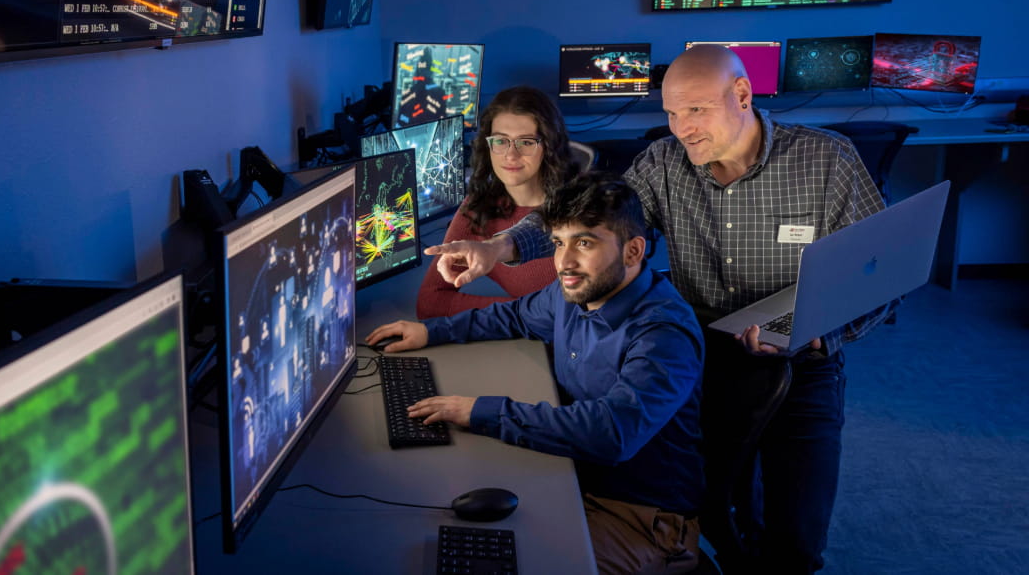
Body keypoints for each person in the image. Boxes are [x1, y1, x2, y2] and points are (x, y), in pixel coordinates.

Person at [425, 44, 890, 573]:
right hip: (698, 353)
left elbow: (879, 272)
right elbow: (590, 215)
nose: (681, 127)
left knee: (794, 543)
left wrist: (815, 331)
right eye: (671, 112)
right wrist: (497, 248)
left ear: (742, 94)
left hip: (799, 363)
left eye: (695, 110)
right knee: (710, 497)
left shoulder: (826, 160)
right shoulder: (666, 161)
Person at [370, 172, 705, 574]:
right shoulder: (574, 291)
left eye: (584, 242)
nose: (564, 261)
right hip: (575, 477)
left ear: (633, 251)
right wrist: (430, 331)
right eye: (559, 242)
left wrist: (480, 412)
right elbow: (514, 315)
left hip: (640, 516)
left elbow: (610, 433)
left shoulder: (662, 332)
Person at [415, 85, 576, 319]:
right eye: (500, 141)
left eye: (526, 142)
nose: (511, 155)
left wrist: (524, 311)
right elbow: (430, 301)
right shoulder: (481, 208)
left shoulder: (579, 206)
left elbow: (579, 312)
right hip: (533, 342)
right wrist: (523, 311)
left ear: (549, 146)